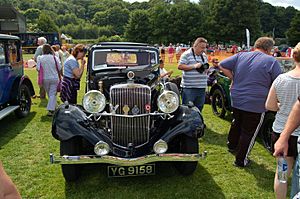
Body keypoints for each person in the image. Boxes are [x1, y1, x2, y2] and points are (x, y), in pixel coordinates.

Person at [219, 37, 282, 167]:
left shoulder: (241, 55)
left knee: (236, 122)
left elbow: (222, 64)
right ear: (268, 49)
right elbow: (278, 82)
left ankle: (232, 145)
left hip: (237, 97)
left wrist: (233, 78)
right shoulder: (271, 61)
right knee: (249, 132)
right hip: (256, 101)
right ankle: (241, 160)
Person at [267, 42, 300, 199]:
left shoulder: (281, 79)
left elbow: (270, 105)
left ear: (293, 56)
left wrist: (282, 105)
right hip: (288, 135)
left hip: (281, 132)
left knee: (282, 174)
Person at [178, 37, 209, 112]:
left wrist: (206, 69)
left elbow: (205, 66)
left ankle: (196, 123)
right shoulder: (186, 54)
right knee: (187, 110)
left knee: (199, 109)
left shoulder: (204, 56)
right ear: (195, 46)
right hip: (189, 88)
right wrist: (194, 66)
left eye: (204, 48)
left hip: (201, 87)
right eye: (202, 47)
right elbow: (180, 66)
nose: (203, 50)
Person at [36, 44, 62, 116]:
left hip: (44, 78)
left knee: (50, 94)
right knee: (52, 94)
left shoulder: (40, 58)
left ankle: (51, 110)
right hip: (54, 78)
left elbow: (38, 68)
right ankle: (53, 108)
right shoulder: (54, 57)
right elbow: (59, 68)